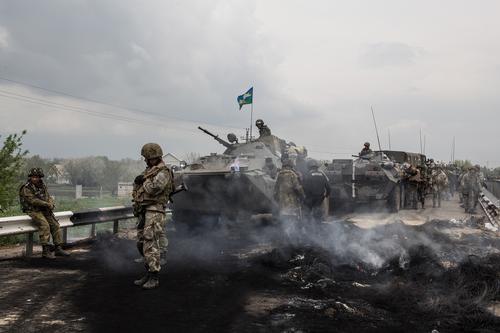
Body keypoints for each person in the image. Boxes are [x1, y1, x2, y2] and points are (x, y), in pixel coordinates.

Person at [132, 143, 174, 290]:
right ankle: (148, 272)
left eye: (147, 158)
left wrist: (144, 180)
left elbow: (155, 188)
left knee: (151, 242)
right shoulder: (151, 170)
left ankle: (154, 276)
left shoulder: (163, 172)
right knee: (143, 242)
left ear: (154, 157)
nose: (145, 160)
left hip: (155, 210)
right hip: (146, 209)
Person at [19, 168, 70, 259]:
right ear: (30, 177)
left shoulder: (42, 185)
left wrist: (51, 203)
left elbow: (48, 196)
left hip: (44, 209)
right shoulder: (26, 187)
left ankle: (58, 248)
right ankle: (45, 251)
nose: (35, 179)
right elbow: (32, 200)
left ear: (40, 177)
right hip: (33, 210)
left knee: (55, 225)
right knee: (45, 225)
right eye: (33, 177)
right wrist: (46, 204)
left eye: (37, 177)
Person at [274, 159, 305, 243]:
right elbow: (297, 188)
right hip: (292, 203)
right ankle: (293, 240)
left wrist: (277, 200)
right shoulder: (292, 175)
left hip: (282, 204)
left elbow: (275, 190)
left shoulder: (279, 175)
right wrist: (302, 196)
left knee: (285, 222)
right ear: (291, 166)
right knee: (293, 221)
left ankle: (284, 239)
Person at [302, 159, 331, 224]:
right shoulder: (322, 174)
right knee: (317, 212)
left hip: (310, 198)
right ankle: (318, 226)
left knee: (307, 213)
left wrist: (304, 197)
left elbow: (304, 187)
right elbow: (328, 187)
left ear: (308, 166)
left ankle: (309, 226)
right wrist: (326, 195)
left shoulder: (308, 174)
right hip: (320, 198)